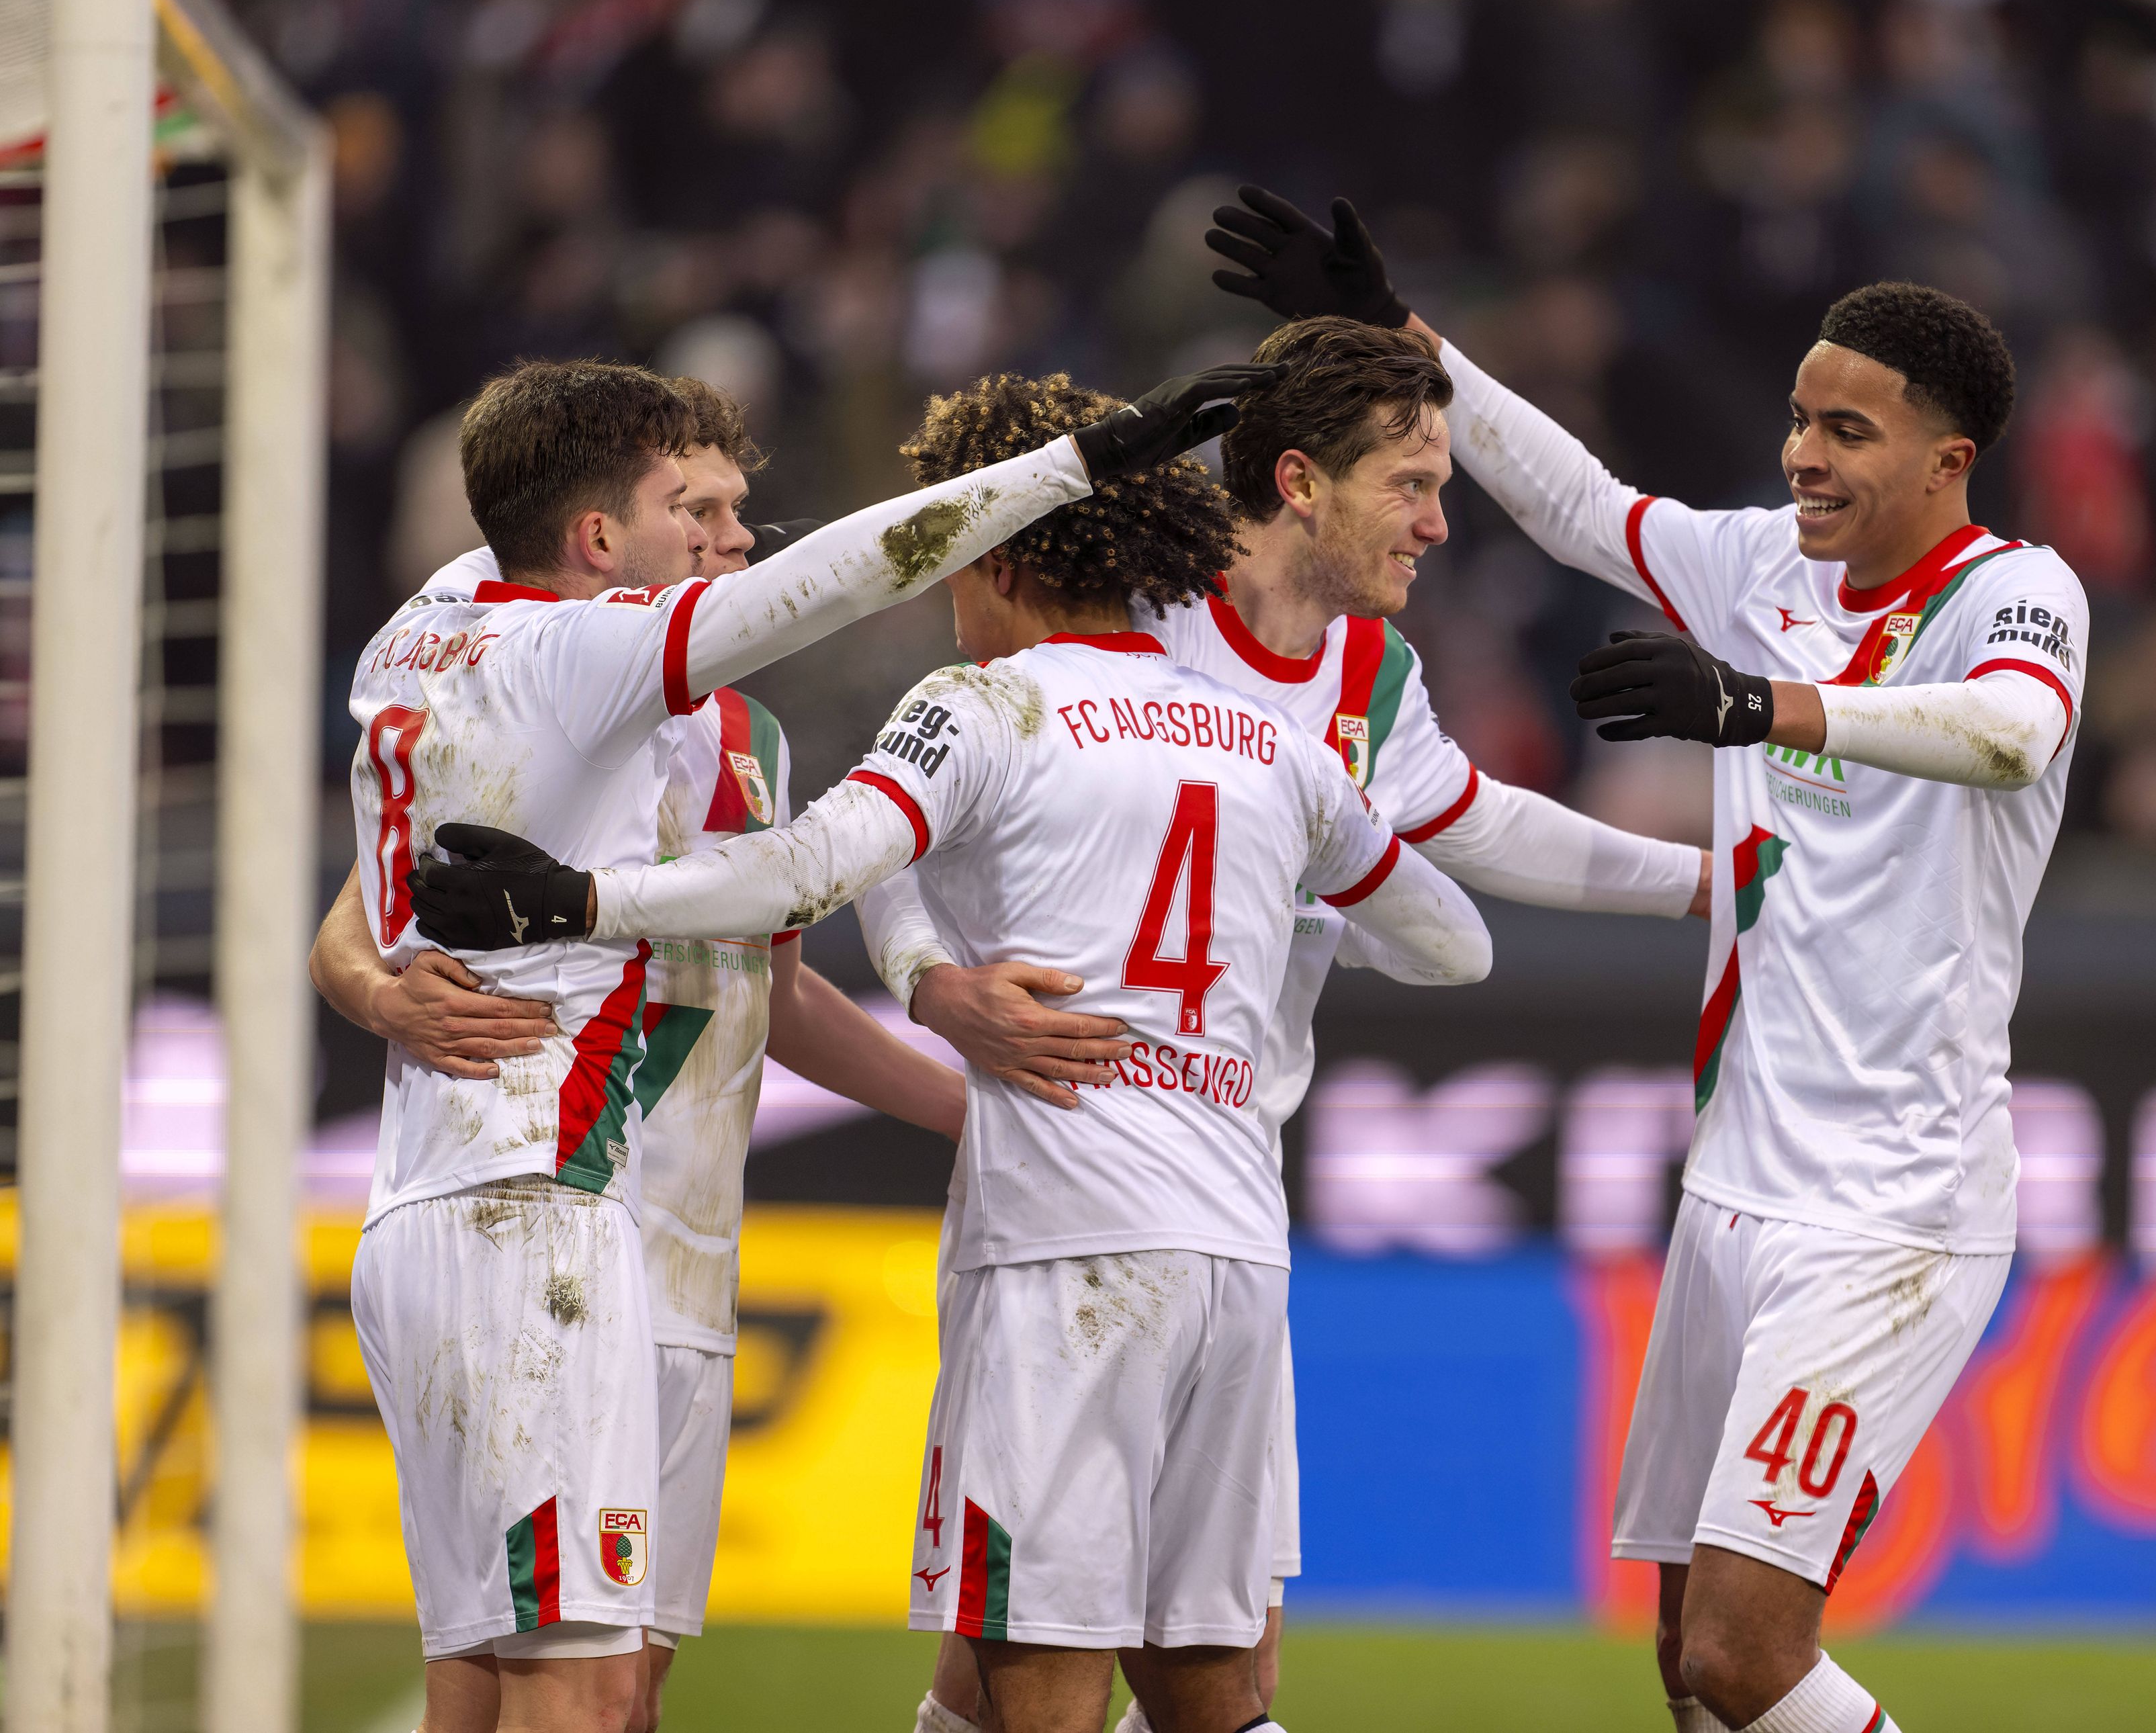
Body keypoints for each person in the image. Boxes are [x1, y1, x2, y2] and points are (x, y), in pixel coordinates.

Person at [406, 381, 1492, 1733]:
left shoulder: (986, 706)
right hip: (1233, 1245)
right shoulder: (1269, 739)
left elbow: (809, 869)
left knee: (1037, 1680)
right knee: (1205, 1692)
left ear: (1009, 553)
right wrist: (1283, 927)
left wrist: (581, 901)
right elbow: (1454, 944)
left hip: (1062, 1251)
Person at [1208, 189, 2086, 1733]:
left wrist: (1758, 708)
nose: (1804, 456)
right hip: (1732, 1183)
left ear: (1948, 462)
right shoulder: (1760, 565)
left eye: (1849, 433)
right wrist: (1403, 332)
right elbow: (1576, 502)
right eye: (1799, 421)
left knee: (1753, 1654)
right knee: (1689, 1658)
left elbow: (2011, 738)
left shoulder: (2011, 593)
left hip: (1891, 1199)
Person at [887, 325, 1712, 1733]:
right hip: (1070, 1179)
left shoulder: (1362, 676)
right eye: (1409, 483)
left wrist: (1709, 882)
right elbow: (922, 779)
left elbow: (1472, 823)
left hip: (1227, 1188)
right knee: (1146, 1665)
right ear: (1298, 481)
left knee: (1034, 1655)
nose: (1438, 522)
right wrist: (926, 978)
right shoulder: (1129, 607)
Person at [310, 376, 983, 1732]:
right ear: (609, 531)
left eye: (740, 506)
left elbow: (777, 999)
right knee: (562, 1676)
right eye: (701, 507)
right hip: (547, 1203)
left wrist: (988, 1114)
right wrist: (369, 983)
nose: (736, 538)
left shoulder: (752, 736)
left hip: (676, 1255)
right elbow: (381, 869)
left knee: (606, 1687)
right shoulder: (528, 648)